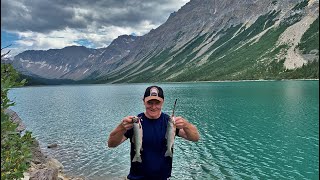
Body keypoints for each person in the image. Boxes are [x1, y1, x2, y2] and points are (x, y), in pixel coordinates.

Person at [107, 85, 200, 180]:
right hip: (137, 178)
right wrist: (121, 127)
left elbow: (195, 138)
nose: (153, 107)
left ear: (162, 102)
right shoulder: (134, 123)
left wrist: (186, 125)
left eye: (157, 103)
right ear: (143, 101)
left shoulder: (170, 123)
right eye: (149, 103)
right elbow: (111, 144)